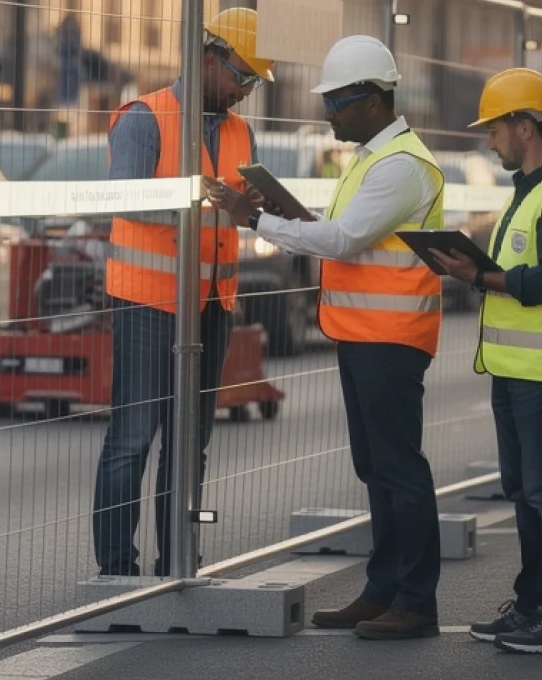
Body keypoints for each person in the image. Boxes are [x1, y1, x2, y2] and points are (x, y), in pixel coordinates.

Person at [204, 35, 446, 640]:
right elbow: (338, 231)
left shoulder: (402, 166)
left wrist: (256, 219)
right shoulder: (371, 159)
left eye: (336, 102)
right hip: (365, 333)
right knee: (376, 467)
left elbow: (343, 242)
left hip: (391, 338)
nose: (327, 113)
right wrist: (283, 213)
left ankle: (416, 600)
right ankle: (384, 589)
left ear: (371, 99)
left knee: (398, 468)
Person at [91, 7, 274, 578]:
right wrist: (201, 197)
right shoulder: (145, 119)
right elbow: (124, 201)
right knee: (134, 437)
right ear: (206, 58)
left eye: (252, 81)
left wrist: (258, 209)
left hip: (211, 303)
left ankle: (178, 563)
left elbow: (237, 212)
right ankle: (118, 571)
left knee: (190, 442)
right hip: (149, 300)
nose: (246, 90)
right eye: (241, 75)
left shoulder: (241, 131)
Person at [429, 67, 542, 654]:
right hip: (516, 369)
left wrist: (477, 273)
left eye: (495, 128)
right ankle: (531, 605)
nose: (489, 139)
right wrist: (477, 270)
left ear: (524, 127)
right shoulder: (530, 192)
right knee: (525, 490)